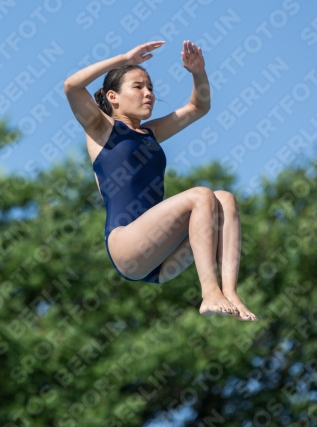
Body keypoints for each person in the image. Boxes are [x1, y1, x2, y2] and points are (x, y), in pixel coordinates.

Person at [64, 40, 257, 321]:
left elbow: (198, 106)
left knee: (225, 199)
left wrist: (198, 72)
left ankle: (230, 292)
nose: (149, 94)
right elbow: (71, 86)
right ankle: (209, 292)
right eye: (138, 87)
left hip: (162, 259)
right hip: (127, 247)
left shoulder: (150, 133)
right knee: (201, 195)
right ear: (113, 97)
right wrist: (123, 59)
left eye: (151, 88)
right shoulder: (100, 129)